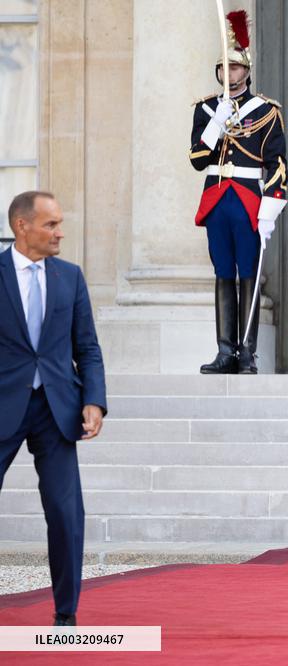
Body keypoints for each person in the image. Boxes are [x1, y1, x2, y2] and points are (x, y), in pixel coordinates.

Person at [0, 191, 107, 626]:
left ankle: (66, 614)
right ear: (21, 227)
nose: (60, 232)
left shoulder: (70, 276)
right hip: (3, 404)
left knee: (66, 513)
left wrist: (95, 400)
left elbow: (88, 347)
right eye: (50, 225)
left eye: (60, 223)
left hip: (56, 410)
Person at [189, 9, 287, 375]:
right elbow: (198, 158)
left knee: (248, 272)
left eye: (234, 68)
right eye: (223, 68)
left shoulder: (266, 111)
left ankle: (247, 352)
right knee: (222, 272)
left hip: (248, 199)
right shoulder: (206, 109)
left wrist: (271, 206)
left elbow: (277, 163)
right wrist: (216, 123)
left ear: (245, 71)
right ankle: (224, 350)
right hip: (217, 198)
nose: (228, 74)